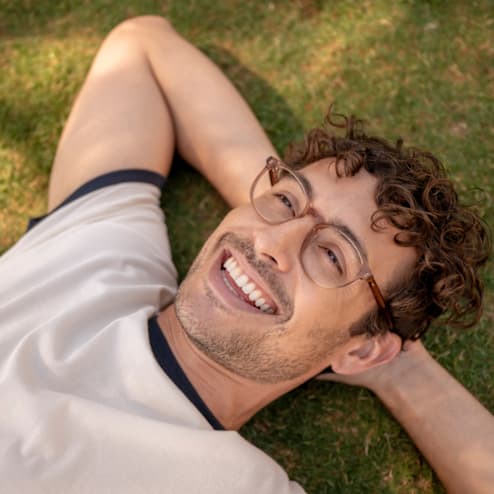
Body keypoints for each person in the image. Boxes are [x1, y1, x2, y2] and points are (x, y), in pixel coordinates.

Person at [0, 15, 493, 494]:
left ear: (361, 350)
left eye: (331, 256)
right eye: (285, 200)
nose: (268, 242)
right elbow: (143, 47)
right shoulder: (102, 253)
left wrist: (397, 364)